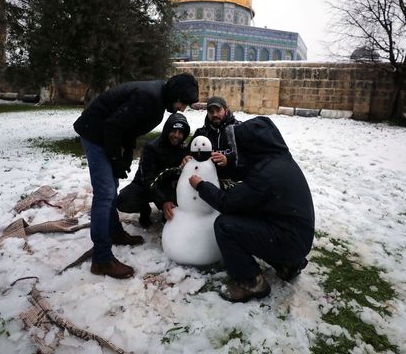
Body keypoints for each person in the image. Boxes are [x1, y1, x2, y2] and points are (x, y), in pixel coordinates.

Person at [73, 73, 199, 279]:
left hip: (107, 134)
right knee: (105, 193)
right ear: (175, 94)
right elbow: (113, 125)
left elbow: (130, 129)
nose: (182, 108)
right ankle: (101, 259)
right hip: (95, 133)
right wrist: (115, 158)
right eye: (183, 102)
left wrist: (125, 157)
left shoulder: (157, 101)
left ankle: (113, 231)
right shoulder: (150, 98)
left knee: (110, 189)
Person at [188, 117, 315, 302]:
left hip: (289, 240)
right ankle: (289, 264)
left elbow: (227, 203)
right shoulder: (278, 160)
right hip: (297, 237)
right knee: (248, 215)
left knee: (225, 225)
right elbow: (249, 171)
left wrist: (201, 186)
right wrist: (225, 163)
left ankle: (251, 283)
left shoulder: (267, 174)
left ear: (252, 145)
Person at [115, 112, 190, 228]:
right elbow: (149, 179)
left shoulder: (184, 149)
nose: (176, 135)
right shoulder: (152, 147)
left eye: (180, 133)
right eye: (173, 131)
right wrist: (164, 201)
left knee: (174, 215)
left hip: (169, 187)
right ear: (166, 130)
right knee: (124, 201)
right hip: (146, 185)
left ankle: (169, 210)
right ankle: (144, 209)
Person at [187, 96, 241, 180]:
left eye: (218, 110)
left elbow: (250, 156)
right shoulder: (201, 133)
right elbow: (189, 154)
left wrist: (228, 160)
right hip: (206, 183)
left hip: (235, 182)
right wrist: (187, 158)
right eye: (211, 111)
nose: (215, 114)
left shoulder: (239, 129)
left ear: (226, 110)